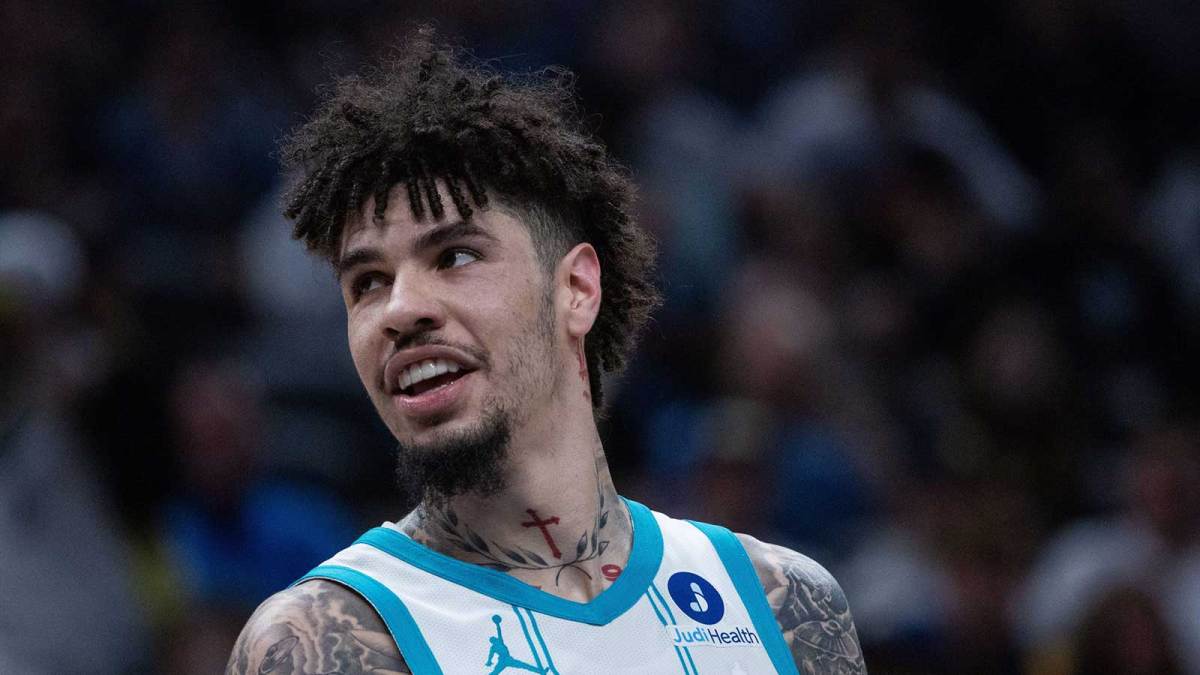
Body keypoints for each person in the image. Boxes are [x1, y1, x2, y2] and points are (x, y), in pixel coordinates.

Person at [226, 31, 866, 675]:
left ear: (576, 290)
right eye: (368, 282)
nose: (398, 309)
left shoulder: (783, 605)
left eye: (455, 256)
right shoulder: (326, 644)